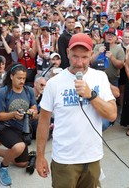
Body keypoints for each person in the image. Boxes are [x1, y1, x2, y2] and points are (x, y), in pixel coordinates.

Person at [36, 33, 117, 187]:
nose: (79, 63)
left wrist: (90, 95)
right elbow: (44, 121)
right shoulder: (54, 83)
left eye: (85, 57)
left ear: (91, 55)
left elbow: (112, 114)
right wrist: (40, 156)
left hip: (92, 157)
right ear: (67, 53)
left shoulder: (99, 77)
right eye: (75, 56)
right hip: (65, 160)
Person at [0, 63, 37, 186]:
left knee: (21, 163)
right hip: (4, 127)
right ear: (11, 76)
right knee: (18, 147)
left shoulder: (29, 91)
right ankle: (3, 168)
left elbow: (34, 107)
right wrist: (13, 114)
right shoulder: (2, 92)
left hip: (22, 129)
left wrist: (32, 111)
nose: (22, 81)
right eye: (19, 78)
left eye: (24, 78)